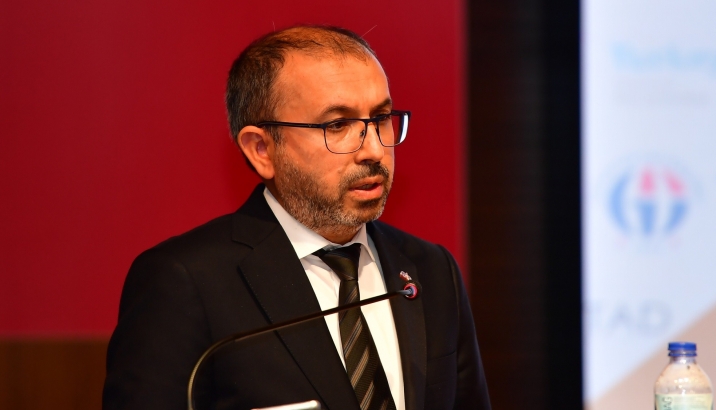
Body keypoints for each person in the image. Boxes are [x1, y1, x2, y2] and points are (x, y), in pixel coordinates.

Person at [103, 25, 490, 410]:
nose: (373, 150)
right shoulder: (185, 283)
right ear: (262, 150)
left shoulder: (431, 271)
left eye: (381, 118)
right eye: (337, 125)